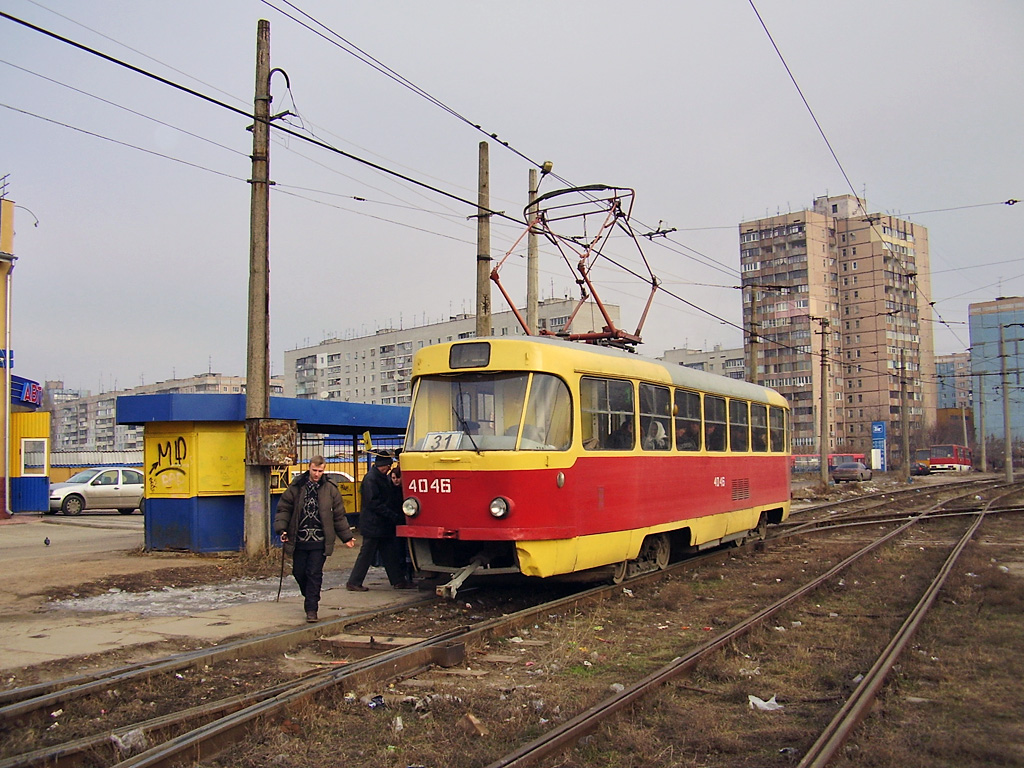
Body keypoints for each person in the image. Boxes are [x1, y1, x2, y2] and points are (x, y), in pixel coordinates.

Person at [274, 456, 355, 623]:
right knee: (299, 572)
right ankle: (310, 595)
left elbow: (338, 515)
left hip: (320, 540)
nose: (317, 474)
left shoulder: (330, 489)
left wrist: (346, 536)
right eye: (314, 470)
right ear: (309, 468)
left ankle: (312, 608)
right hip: (299, 539)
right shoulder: (297, 486)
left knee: (314, 573)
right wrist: (282, 529)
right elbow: (284, 508)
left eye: (320, 471)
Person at [346, 453, 415, 591]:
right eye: (388, 466)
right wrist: (392, 515)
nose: (389, 469)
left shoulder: (378, 477)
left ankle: (398, 581)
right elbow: (374, 503)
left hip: (381, 524)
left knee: (390, 554)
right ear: (382, 465)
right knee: (367, 554)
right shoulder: (372, 479)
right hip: (374, 524)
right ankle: (354, 582)